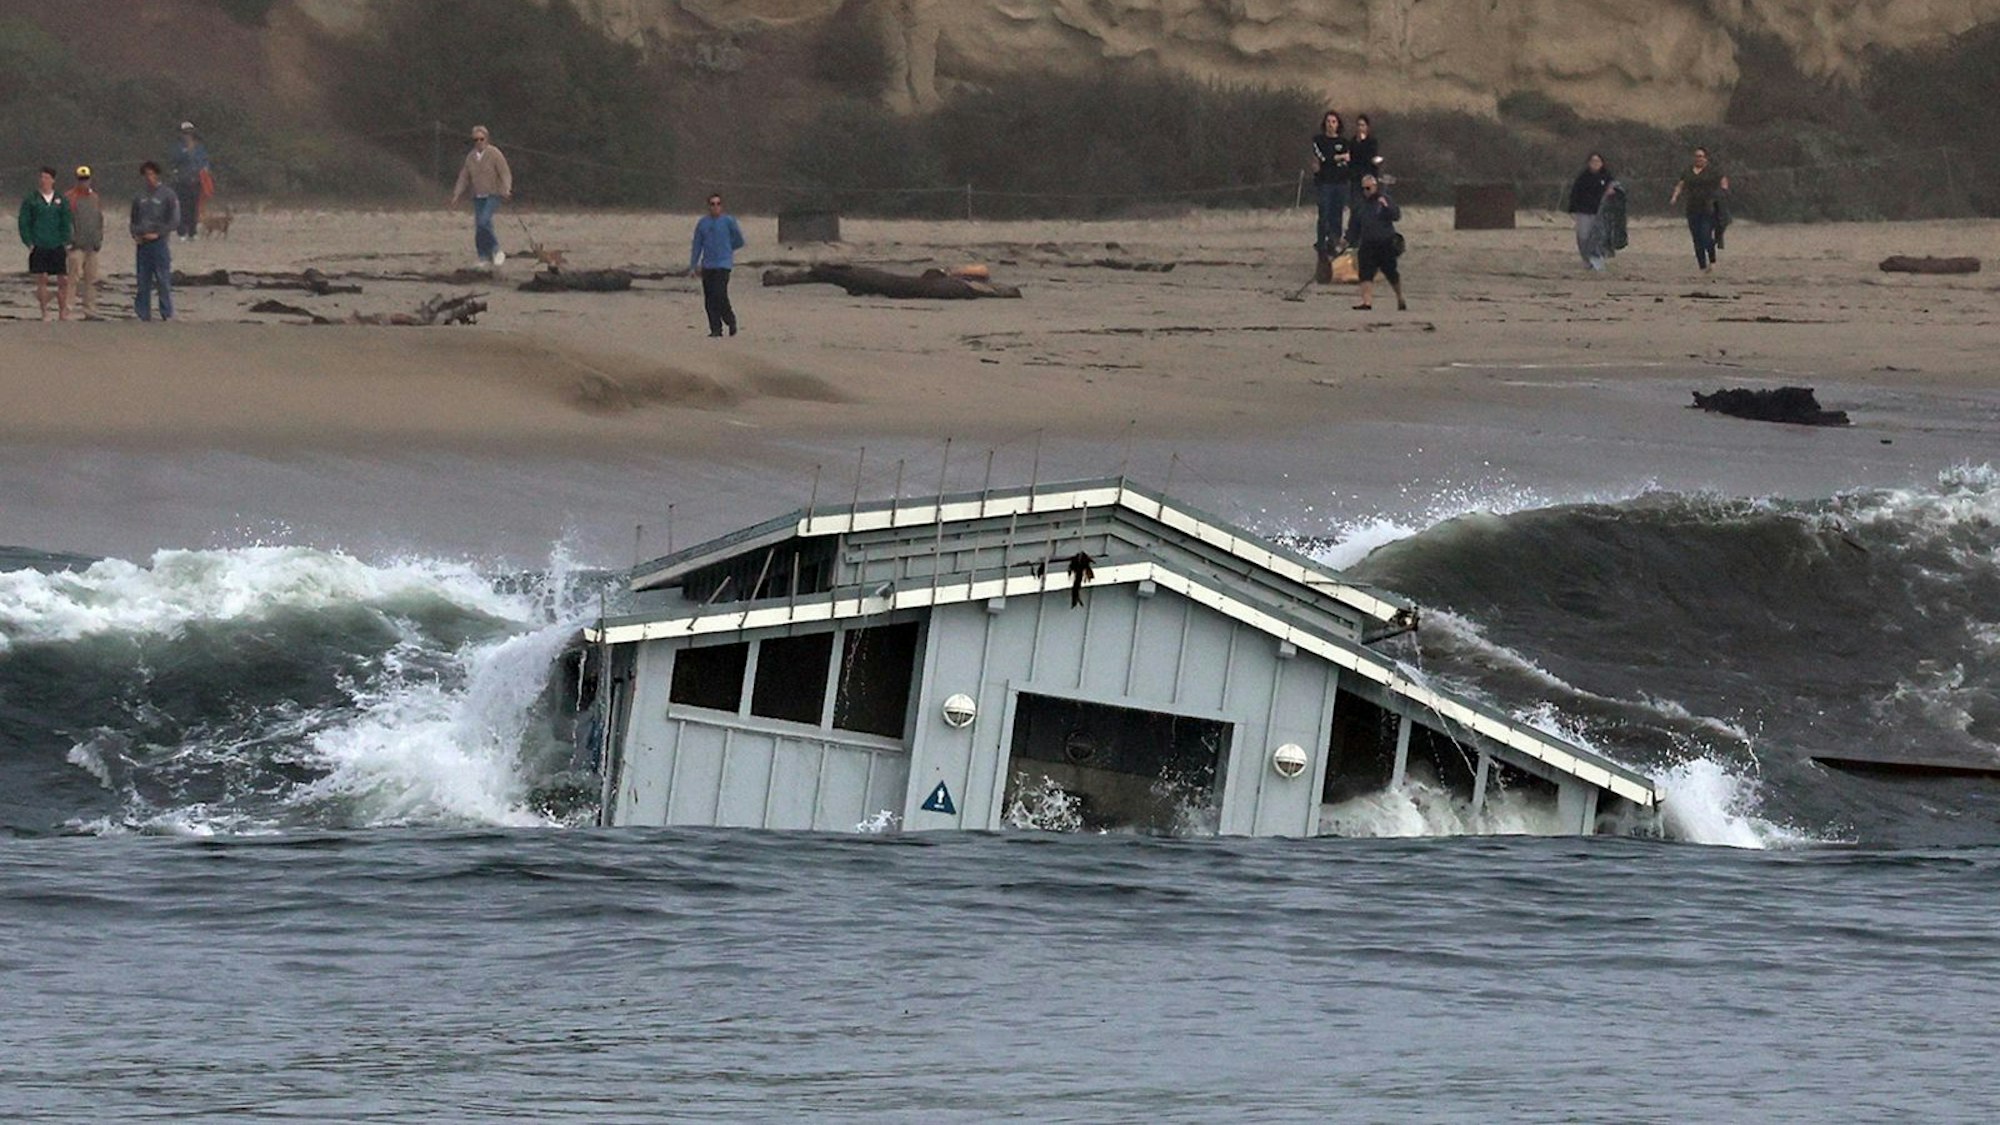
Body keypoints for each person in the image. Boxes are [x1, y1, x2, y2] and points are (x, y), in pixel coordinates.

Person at [449, 125, 513, 267]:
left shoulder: (495, 154)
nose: (478, 142)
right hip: (477, 196)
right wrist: (457, 194)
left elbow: (505, 173)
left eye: (481, 139)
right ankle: (483, 256)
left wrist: (507, 189)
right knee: (480, 227)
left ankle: (496, 250)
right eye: (475, 139)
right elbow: (464, 177)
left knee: (484, 222)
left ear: (487, 139)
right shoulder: (470, 157)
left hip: (493, 194)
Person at [1341, 172, 1405, 312]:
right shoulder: (1359, 205)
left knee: (1391, 272)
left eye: (1368, 188)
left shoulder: (1384, 199)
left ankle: (1400, 298)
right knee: (1365, 273)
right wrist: (1347, 239)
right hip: (1367, 243)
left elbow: (1396, 216)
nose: (1366, 191)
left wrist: (1387, 207)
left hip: (1385, 242)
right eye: (1364, 188)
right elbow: (1354, 225)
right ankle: (1367, 302)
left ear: (1375, 187)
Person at [18, 167, 74, 322]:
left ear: (53, 180)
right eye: (42, 177)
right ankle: (45, 312)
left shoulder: (60, 199)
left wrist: (66, 241)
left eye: (47, 177)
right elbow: (24, 222)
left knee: (62, 279)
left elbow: (66, 221)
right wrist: (28, 242)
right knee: (41, 278)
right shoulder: (31, 199)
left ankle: (62, 312)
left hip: (57, 244)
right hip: (39, 244)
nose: (44, 180)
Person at [689, 192, 745, 337]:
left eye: (718, 204)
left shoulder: (728, 221)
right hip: (707, 265)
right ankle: (715, 329)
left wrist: (728, 248)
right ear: (708, 206)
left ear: (722, 206)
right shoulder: (703, 223)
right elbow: (697, 245)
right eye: (712, 204)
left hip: (723, 264)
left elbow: (739, 240)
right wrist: (693, 265)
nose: (715, 207)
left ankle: (730, 320)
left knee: (720, 294)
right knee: (709, 298)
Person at [130, 161, 180, 321]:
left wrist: (159, 234)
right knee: (142, 280)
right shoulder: (139, 196)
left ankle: (166, 313)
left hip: (159, 243)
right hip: (142, 244)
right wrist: (135, 234)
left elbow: (174, 220)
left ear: (157, 174)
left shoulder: (168, 194)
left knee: (162, 279)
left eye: (151, 174)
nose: (149, 177)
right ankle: (143, 313)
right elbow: (133, 220)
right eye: (146, 175)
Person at [1669, 146, 1729, 272]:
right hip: (1692, 208)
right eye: (1696, 156)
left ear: (1706, 158)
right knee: (1696, 239)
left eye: (1701, 156)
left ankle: (1712, 261)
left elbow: (1723, 180)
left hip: (1708, 208)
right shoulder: (1688, 171)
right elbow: (1680, 185)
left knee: (1705, 236)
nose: (1698, 159)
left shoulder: (1712, 171)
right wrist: (1674, 196)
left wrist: (1723, 190)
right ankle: (1702, 267)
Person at [1308, 111, 1352, 253]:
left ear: (1338, 124)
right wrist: (1339, 158)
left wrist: (1341, 159)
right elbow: (1324, 158)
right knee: (1324, 214)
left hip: (1341, 183)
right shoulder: (1318, 141)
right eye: (1328, 121)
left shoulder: (1344, 142)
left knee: (1337, 215)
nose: (1331, 125)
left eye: (1333, 122)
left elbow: (1350, 159)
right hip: (1325, 183)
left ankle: (1335, 243)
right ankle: (1321, 243)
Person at [65, 165, 104, 318]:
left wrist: (99, 239)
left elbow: (99, 219)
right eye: (81, 179)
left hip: (92, 246)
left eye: (86, 179)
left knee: (91, 279)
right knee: (73, 277)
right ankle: (68, 309)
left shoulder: (95, 197)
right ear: (76, 180)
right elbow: (66, 221)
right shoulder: (69, 197)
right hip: (76, 246)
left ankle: (89, 310)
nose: (84, 182)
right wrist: (70, 241)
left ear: (90, 180)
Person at [1566, 153, 1617, 271]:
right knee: (1583, 236)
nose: (1595, 164)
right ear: (1589, 163)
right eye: (1593, 161)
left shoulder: (1607, 177)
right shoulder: (1582, 178)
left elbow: (1616, 193)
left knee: (1599, 237)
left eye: (1598, 161)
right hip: (1584, 211)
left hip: (1601, 212)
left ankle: (1597, 261)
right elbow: (1575, 194)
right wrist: (1573, 209)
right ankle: (1586, 260)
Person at [170, 121, 209, 240]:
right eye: (185, 133)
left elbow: (204, 161)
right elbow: (174, 160)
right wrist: (187, 152)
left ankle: (192, 231)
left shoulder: (199, 147)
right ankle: (182, 232)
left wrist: (205, 170)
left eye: (189, 133)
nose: (187, 135)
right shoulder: (177, 147)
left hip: (195, 181)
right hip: (181, 181)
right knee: (182, 206)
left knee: (194, 207)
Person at [1348, 114, 1383, 193]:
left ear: (1367, 127)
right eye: (1358, 125)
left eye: (1363, 125)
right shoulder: (1352, 142)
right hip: (1355, 177)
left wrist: (1363, 142)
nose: (1360, 128)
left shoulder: (1372, 141)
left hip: (1369, 176)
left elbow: (1370, 157)